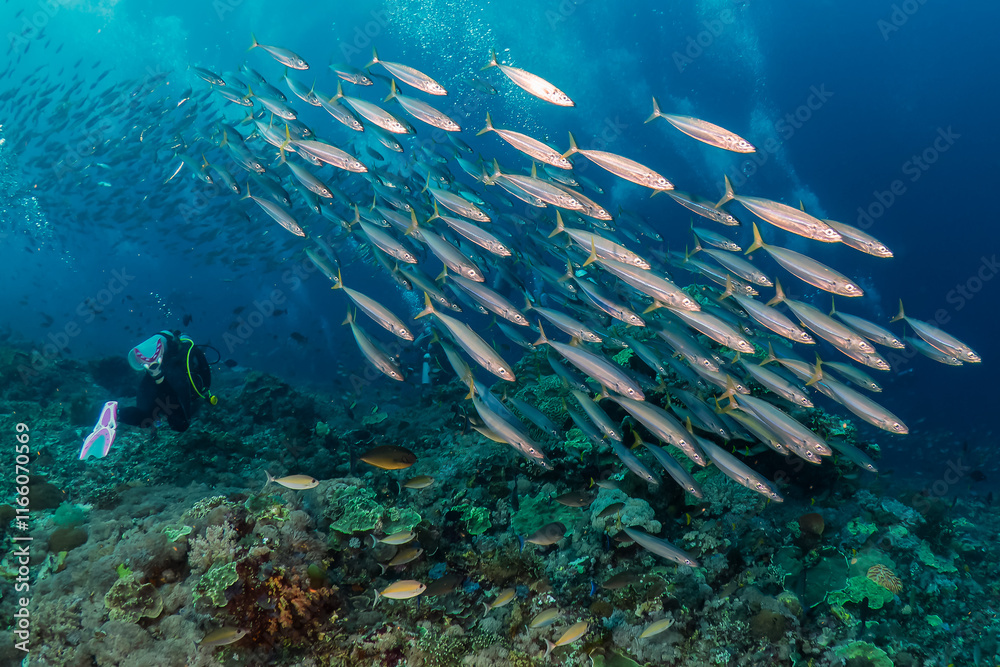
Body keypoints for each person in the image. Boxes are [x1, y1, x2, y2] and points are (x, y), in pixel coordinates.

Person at [80, 330, 216, 460]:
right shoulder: (192, 353)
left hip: (150, 380)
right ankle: (158, 383)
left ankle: (115, 411)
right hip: (171, 384)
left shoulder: (167, 353)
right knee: (180, 425)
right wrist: (204, 392)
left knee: (145, 416)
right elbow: (206, 377)